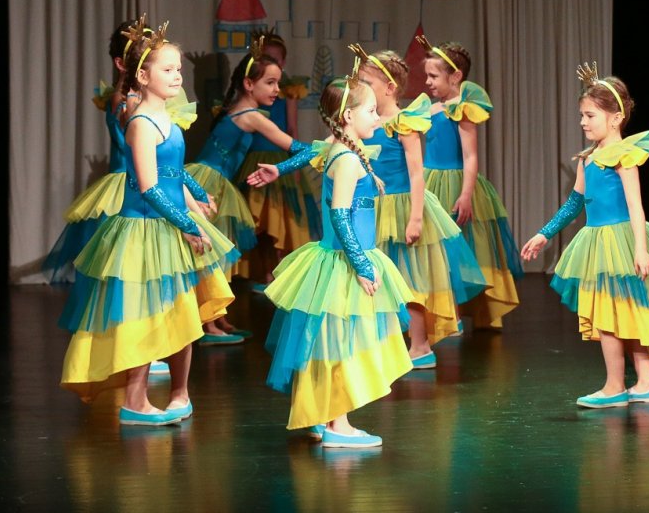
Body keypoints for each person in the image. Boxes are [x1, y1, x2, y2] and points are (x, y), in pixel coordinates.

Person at [252, 46, 485, 367]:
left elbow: (417, 173)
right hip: (370, 210)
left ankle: (420, 346)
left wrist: (416, 217)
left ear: (389, 87)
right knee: (377, 280)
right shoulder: (358, 126)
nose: (360, 87)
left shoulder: (403, 122)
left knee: (409, 280)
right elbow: (318, 149)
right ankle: (382, 345)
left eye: (367, 83)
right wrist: (280, 169)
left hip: (401, 207)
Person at [59, 24, 239, 426]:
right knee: (143, 314)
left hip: (172, 226)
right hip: (145, 228)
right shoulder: (140, 122)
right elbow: (149, 186)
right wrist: (186, 223)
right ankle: (135, 400)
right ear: (142, 75)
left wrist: (195, 197)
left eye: (178, 69)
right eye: (167, 70)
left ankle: (180, 394)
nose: (177, 76)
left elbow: (174, 170)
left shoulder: (168, 117)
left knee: (181, 314)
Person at [263, 73, 414, 448]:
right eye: (371, 111)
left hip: (346, 257)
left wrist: (280, 169)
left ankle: (323, 417)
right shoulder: (345, 158)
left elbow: (309, 152)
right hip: (346, 261)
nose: (378, 117)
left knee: (330, 342)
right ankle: (337, 425)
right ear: (348, 116)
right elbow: (340, 216)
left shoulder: (340, 146)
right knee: (342, 344)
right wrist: (362, 265)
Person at [520, 65, 649, 407]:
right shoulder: (588, 159)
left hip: (620, 241)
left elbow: (636, 206)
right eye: (581, 115)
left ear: (615, 118)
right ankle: (647, 382)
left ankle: (615, 387)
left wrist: (641, 249)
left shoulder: (624, 156)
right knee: (624, 313)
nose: (583, 122)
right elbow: (574, 203)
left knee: (611, 317)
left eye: (590, 115)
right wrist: (544, 234)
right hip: (597, 240)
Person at [188, 35, 312, 341]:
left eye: (278, 83)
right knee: (210, 256)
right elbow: (298, 148)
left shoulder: (238, 110)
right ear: (248, 84)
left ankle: (216, 319)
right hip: (209, 183)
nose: (277, 90)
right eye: (270, 83)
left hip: (215, 181)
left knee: (214, 254)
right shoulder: (251, 117)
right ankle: (207, 324)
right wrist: (334, 147)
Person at [416, 35, 522, 329]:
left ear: (456, 76)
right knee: (436, 253)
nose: (427, 82)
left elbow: (471, 156)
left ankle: (460, 315)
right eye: (427, 75)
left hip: (455, 185)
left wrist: (465, 194)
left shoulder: (463, 109)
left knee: (460, 252)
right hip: (430, 182)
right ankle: (442, 314)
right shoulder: (431, 108)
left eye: (434, 76)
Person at [236, 31, 320, 279]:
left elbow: (291, 130)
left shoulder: (288, 91)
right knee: (257, 221)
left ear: (283, 62)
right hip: (254, 160)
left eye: (276, 59)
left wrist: (294, 166)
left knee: (282, 220)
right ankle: (261, 274)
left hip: (280, 160)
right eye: (267, 58)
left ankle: (279, 275)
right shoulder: (252, 94)